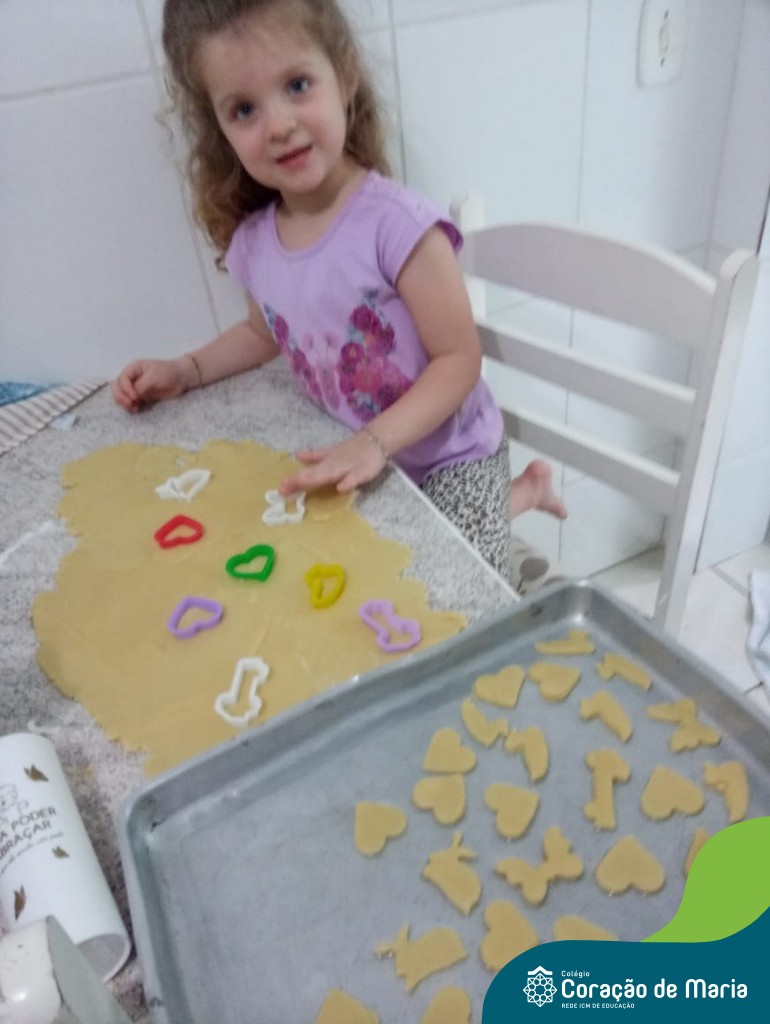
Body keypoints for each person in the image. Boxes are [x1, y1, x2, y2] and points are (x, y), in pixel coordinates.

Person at [112, 0, 566, 579]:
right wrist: (186, 369)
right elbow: (261, 334)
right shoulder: (256, 242)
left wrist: (374, 444)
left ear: (345, 77)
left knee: (450, 584)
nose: (278, 125)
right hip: (357, 448)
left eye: (297, 85)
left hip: (450, 456)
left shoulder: (399, 226)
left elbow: (459, 361)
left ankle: (518, 493)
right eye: (244, 109)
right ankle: (519, 496)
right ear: (220, 128)